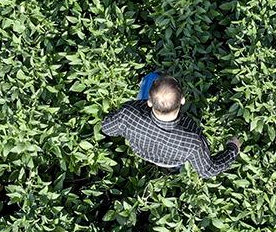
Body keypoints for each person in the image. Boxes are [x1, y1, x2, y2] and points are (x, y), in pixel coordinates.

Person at [100, 72, 241, 178]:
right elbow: (208, 170)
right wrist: (233, 148)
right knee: (180, 160)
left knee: (152, 77)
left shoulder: (128, 114)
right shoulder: (193, 143)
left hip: (142, 152)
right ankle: (173, 170)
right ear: (183, 100)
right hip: (172, 160)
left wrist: (127, 115)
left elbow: (107, 128)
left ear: (149, 101)